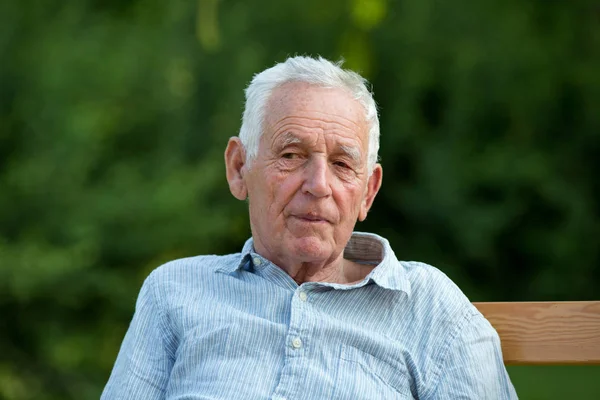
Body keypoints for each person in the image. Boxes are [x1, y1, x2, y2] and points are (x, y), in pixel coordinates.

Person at [102, 56, 517, 399]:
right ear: (238, 168)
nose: (319, 185)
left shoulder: (430, 307)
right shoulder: (175, 290)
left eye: (341, 164)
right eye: (292, 154)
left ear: (368, 192)